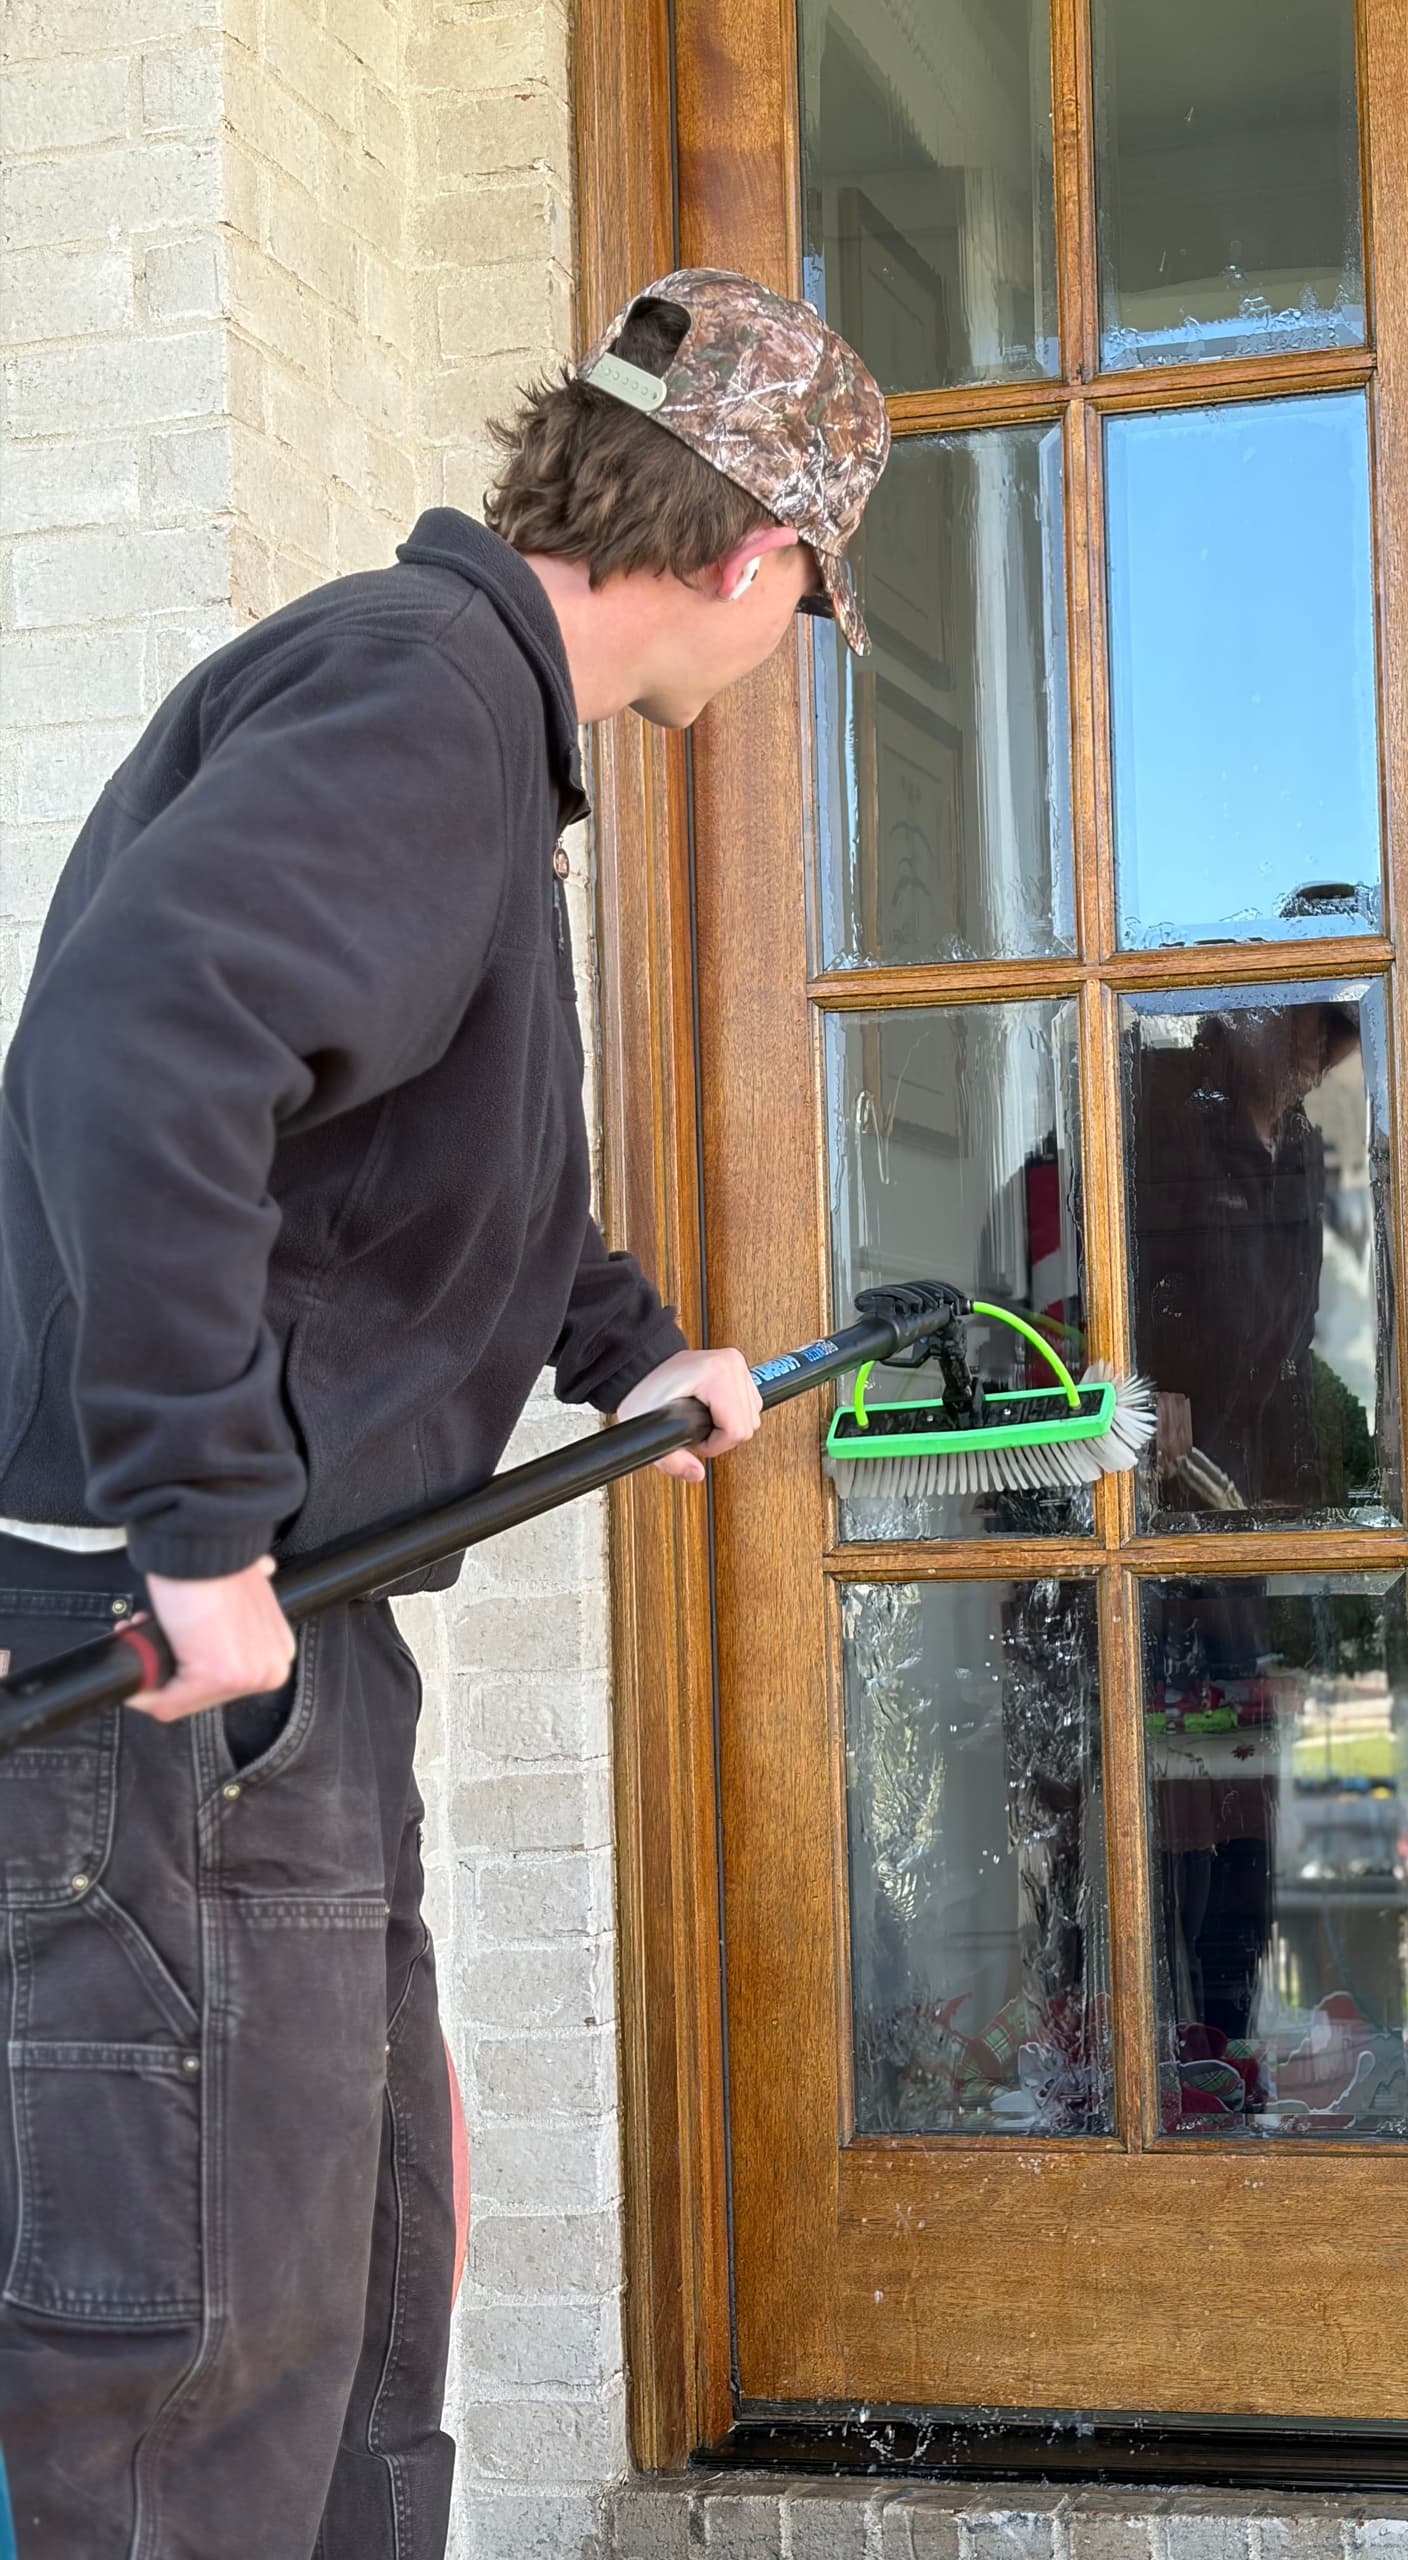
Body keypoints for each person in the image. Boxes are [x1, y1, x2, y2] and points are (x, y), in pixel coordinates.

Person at [0, 270, 888, 2559]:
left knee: (362, 2349)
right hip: (177, 1651)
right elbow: (144, 1050)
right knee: (199, 2387)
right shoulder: (421, 707)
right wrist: (194, 1522)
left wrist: (627, 1342)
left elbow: (394, 1162)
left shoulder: (466, 720)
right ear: (757, 561)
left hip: (293, 1648)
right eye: (807, 609)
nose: (783, 654)